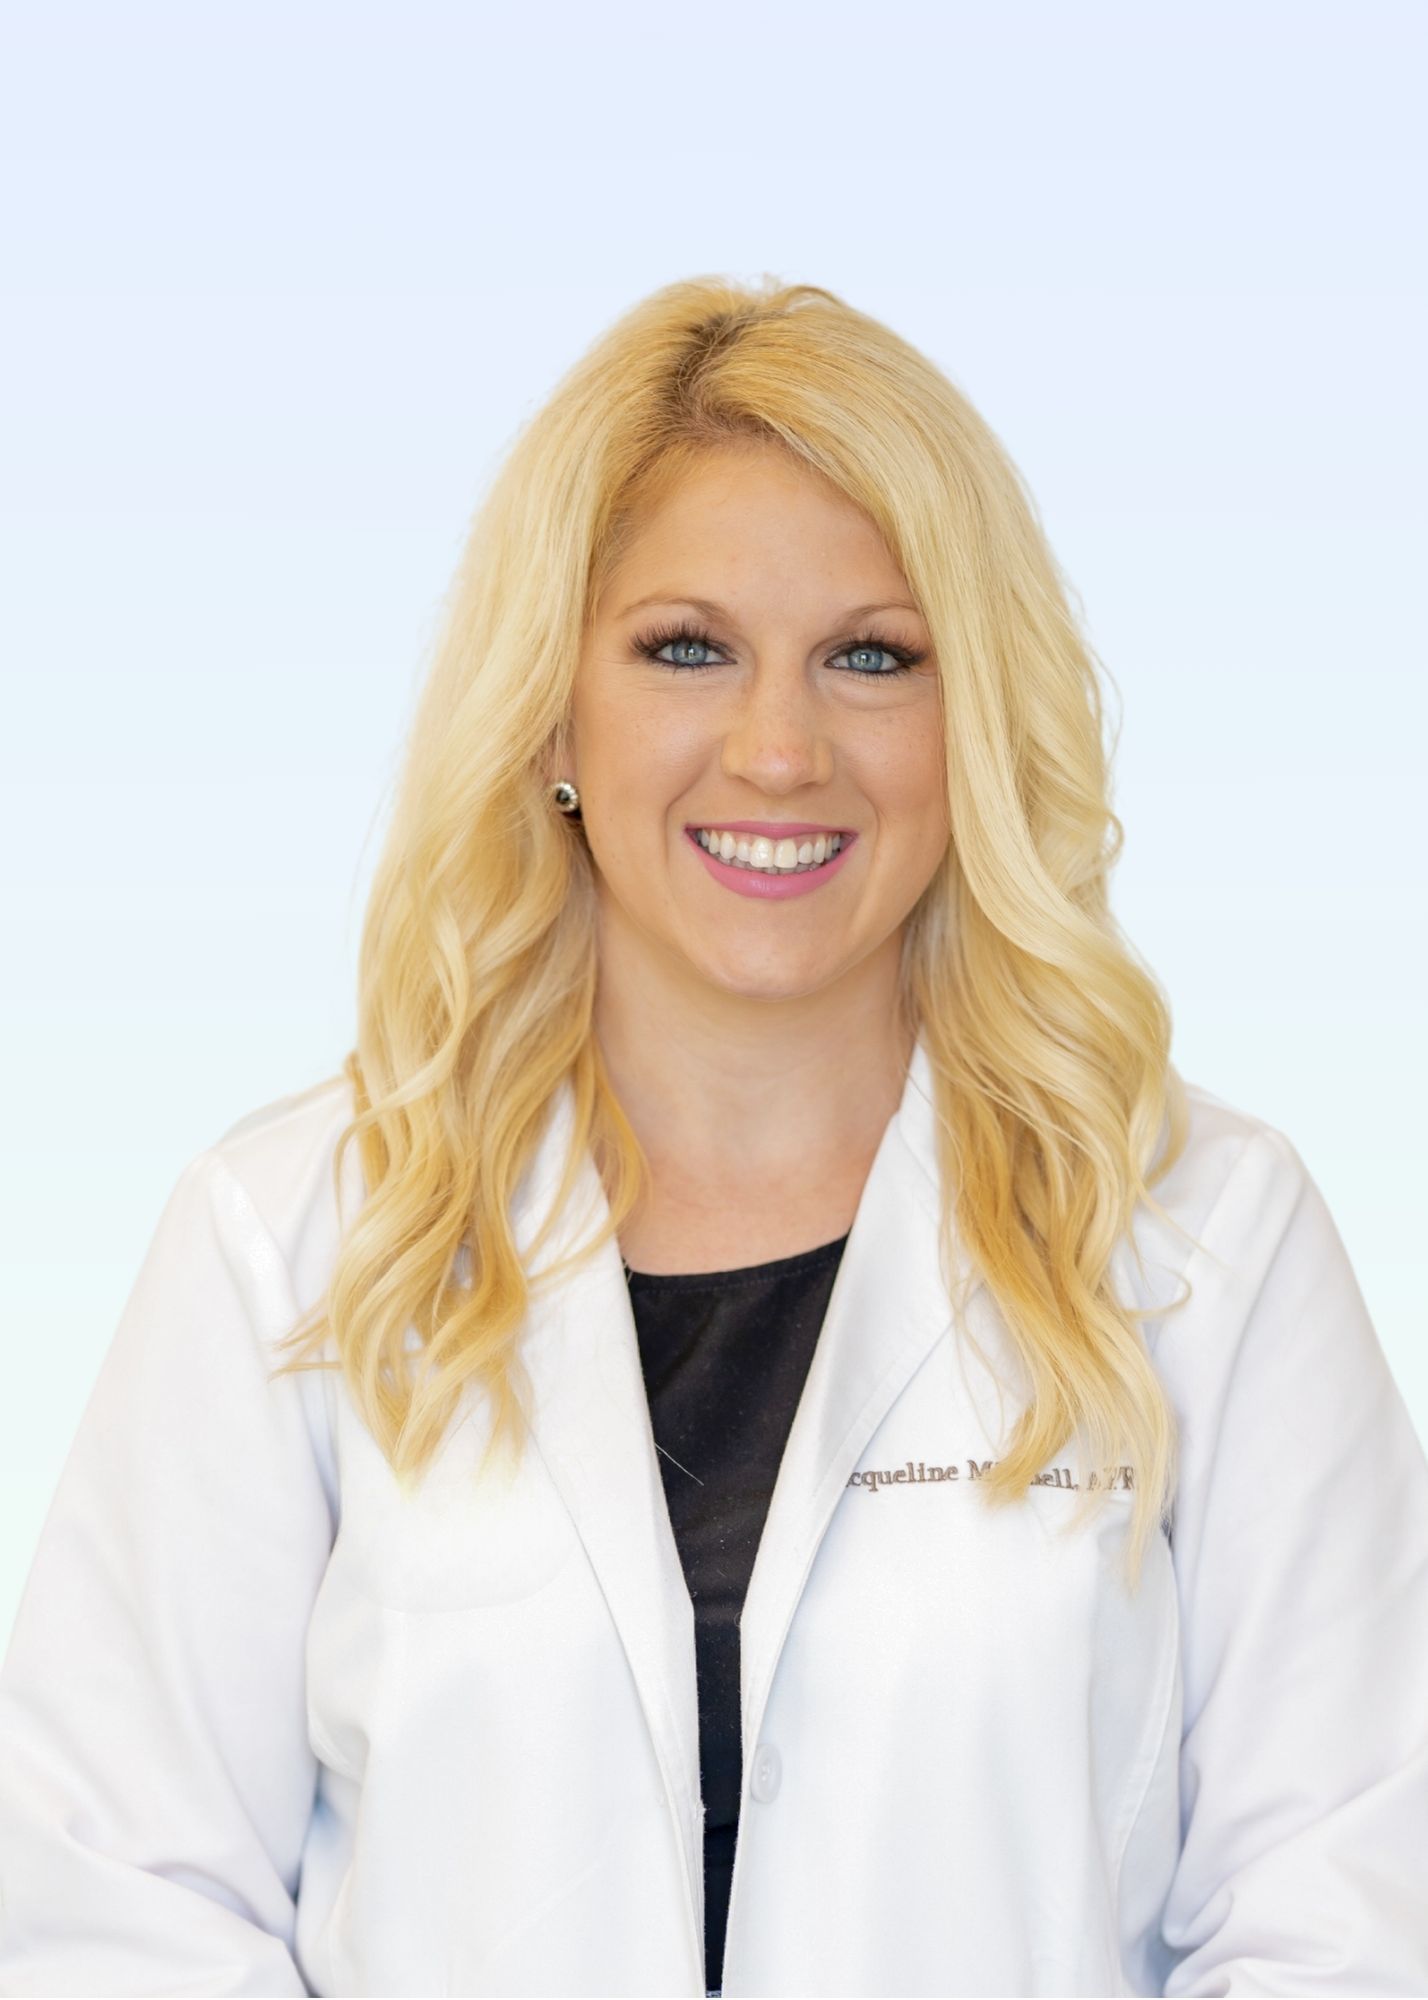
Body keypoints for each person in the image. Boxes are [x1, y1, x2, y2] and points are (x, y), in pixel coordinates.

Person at [2, 274, 1426, 1999]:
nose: (778, 747)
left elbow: (1341, 1919)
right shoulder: (294, 1241)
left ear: (972, 720)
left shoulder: (1209, 1247)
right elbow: (116, 1906)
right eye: (687, 648)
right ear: (556, 719)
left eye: (872, 657)